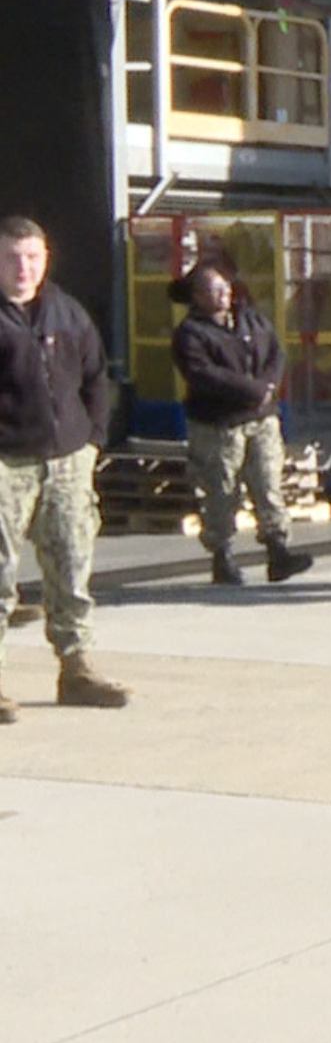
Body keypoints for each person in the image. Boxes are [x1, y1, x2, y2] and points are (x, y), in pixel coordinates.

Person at [0, 214, 130, 719]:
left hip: (68, 461)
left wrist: (92, 440)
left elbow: (96, 377)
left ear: (46, 260)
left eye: (32, 257)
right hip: (8, 463)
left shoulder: (66, 312)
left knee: (73, 563)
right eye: (12, 257)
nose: (23, 268)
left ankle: (76, 668)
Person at [167, 257, 314, 587]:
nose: (221, 295)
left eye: (224, 287)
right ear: (195, 296)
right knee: (220, 490)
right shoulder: (190, 334)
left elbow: (276, 354)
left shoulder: (251, 320)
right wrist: (251, 390)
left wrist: (268, 387)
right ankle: (223, 556)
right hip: (219, 425)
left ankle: (278, 550)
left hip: (262, 419)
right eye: (211, 289)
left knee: (268, 482)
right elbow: (203, 374)